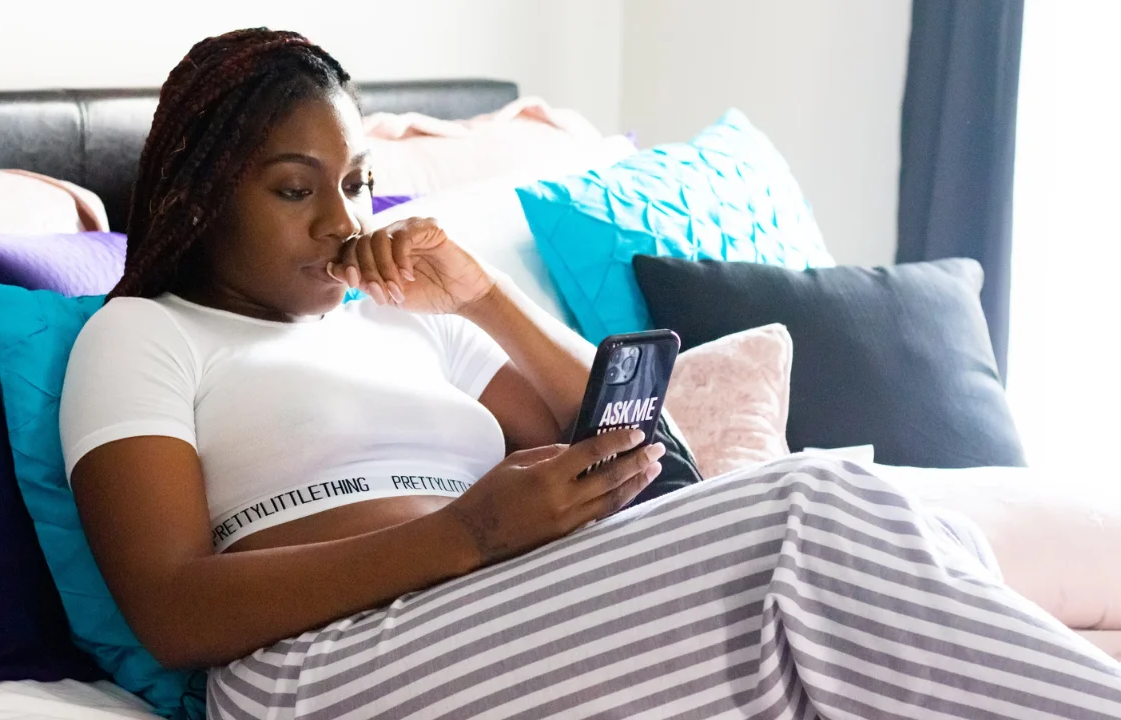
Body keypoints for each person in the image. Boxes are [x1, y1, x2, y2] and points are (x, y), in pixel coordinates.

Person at [60, 28, 1121, 720]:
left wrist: (479, 295)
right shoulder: (143, 337)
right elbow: (174, 611)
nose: (341, 221)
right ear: (202, 195)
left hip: (506, 604)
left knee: (812, 652)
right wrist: (466, 532)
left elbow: (643, 447)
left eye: (356, 182)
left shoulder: (403, 320)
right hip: (320, 668)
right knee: (813, 510)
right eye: (296, 190)